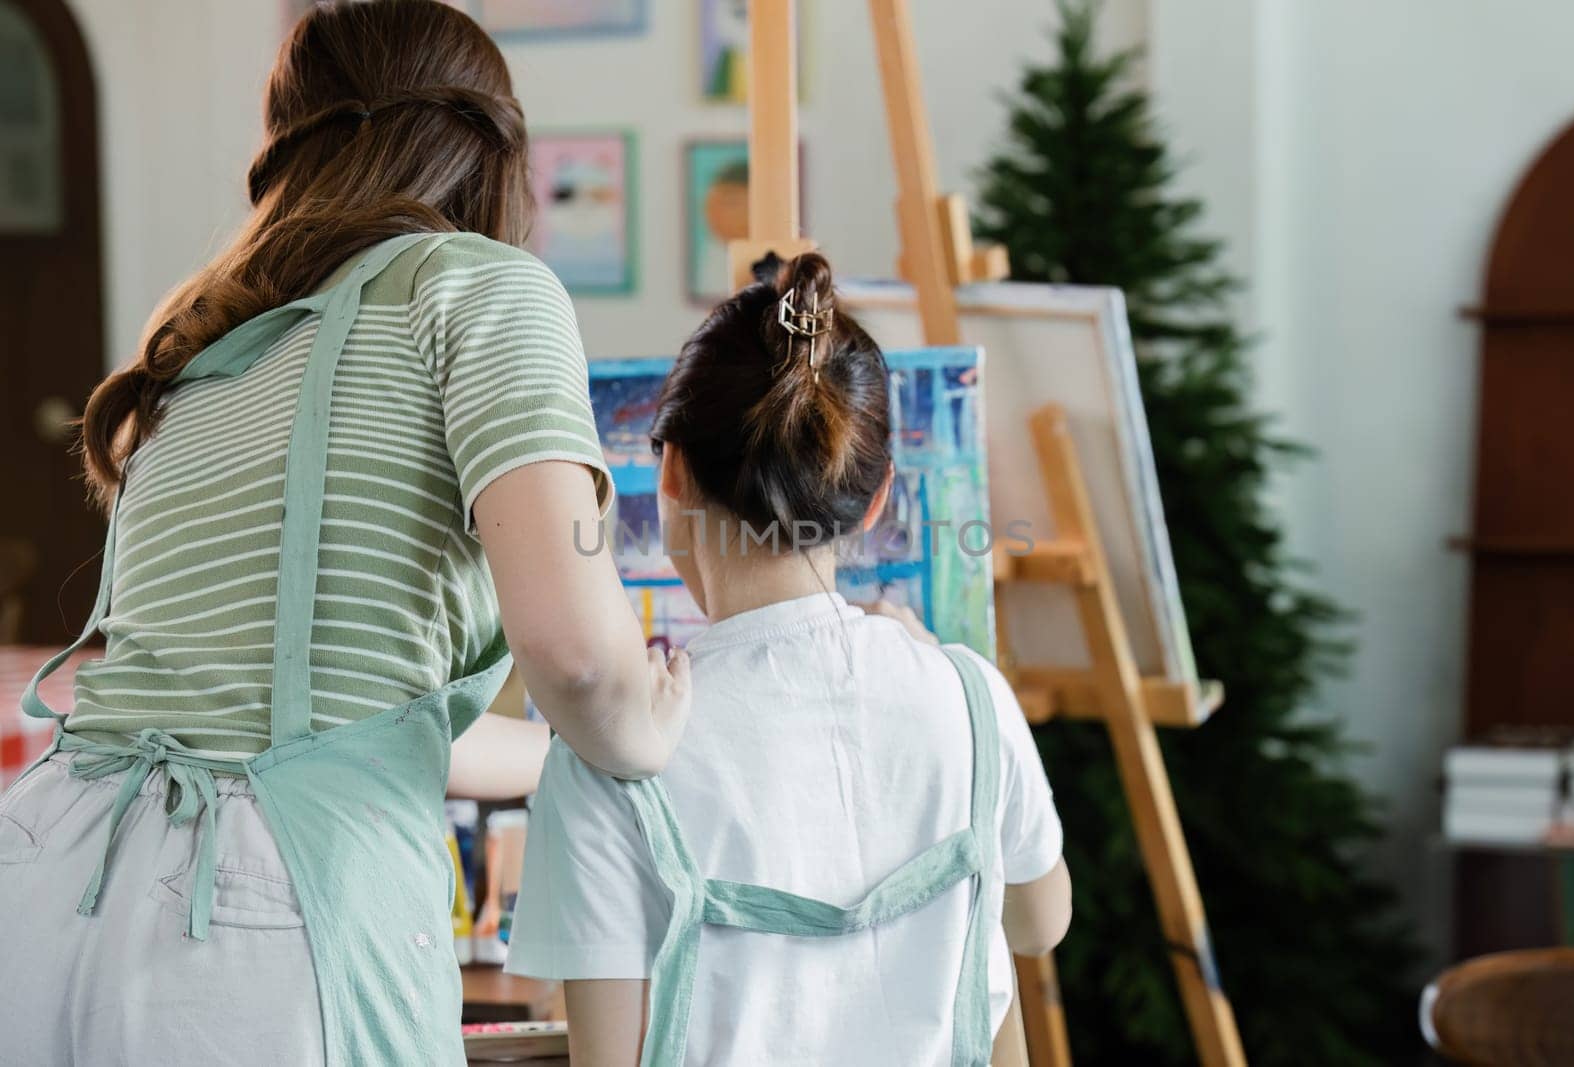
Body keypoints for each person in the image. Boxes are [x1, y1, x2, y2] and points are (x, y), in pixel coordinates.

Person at [0, 3, 688, 1064]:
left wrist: (555, 754)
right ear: (492, 150)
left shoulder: (200, 345)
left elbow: (343, 718)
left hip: (52, 862)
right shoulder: (482, 288)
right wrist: (649, 728)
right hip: (253, 912)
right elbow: (581, 654)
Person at [508, 253, 1072, 1066]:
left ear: (670, 473)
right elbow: (1039, 921)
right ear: (876, 499)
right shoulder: (970, 698)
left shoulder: (608, 764)